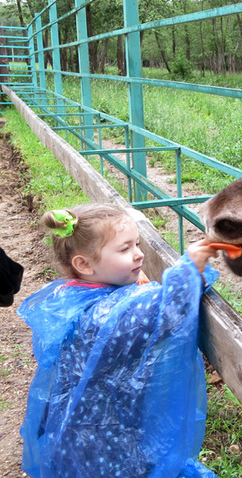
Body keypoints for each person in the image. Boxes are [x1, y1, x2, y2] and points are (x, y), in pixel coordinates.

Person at [18, 203, 219, 478]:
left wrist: (140, 288)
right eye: (125, 249)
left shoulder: (69, 295)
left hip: (76, 434)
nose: (139, 254)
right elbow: (165, 311)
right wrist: (191, 267)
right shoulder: (103, 316)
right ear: (84, 264)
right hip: (106, 446)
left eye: (137, 244)